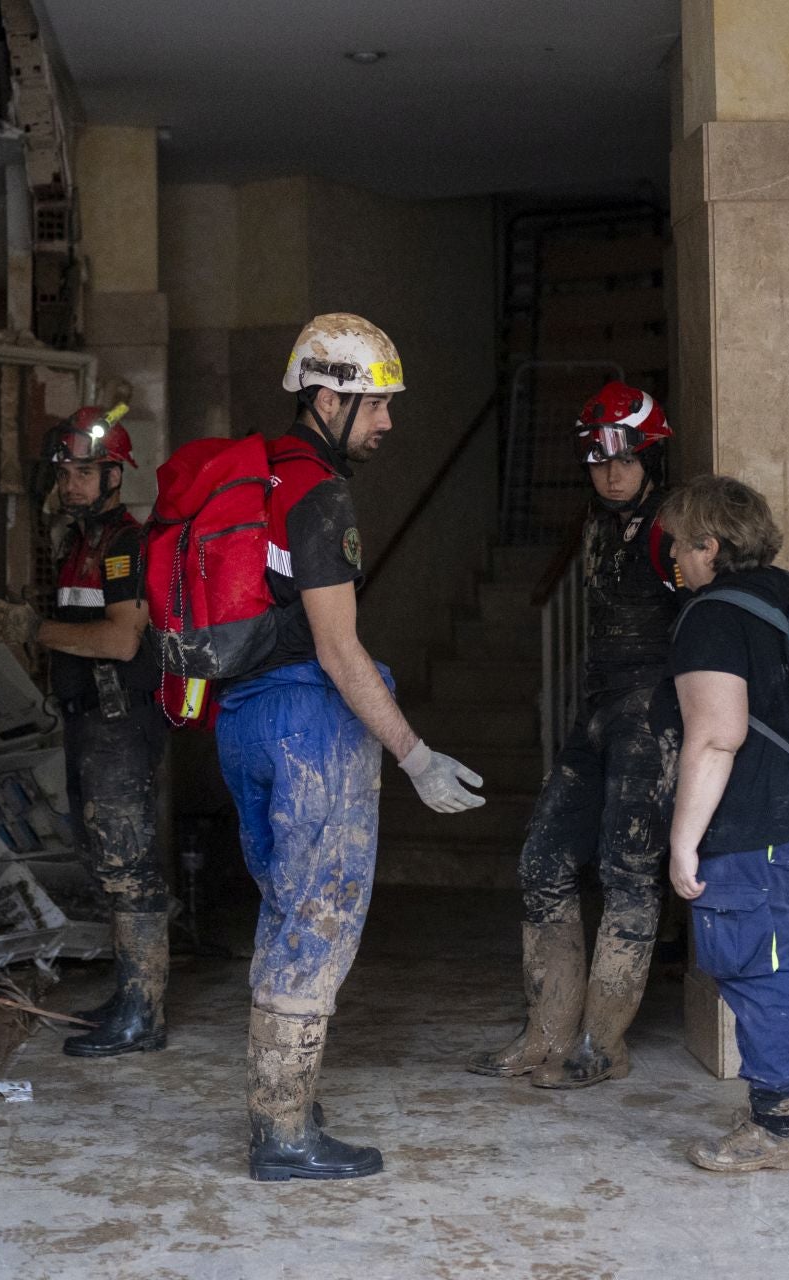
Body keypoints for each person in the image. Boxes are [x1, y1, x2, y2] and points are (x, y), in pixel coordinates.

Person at [217, 313, 486, 1182]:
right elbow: (339, 649)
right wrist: (415, 756)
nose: (386, 423)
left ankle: (279, 1099)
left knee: (284, 903)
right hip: (308, 725)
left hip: (239, 719)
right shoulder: (319, 495)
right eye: (374, 405)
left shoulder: (257, 477)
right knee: (319, 918)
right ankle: (285, 1135)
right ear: (326, 398)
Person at [468, 381, 682, 1088]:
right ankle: (547, 1035)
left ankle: (601, 1044)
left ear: (652, 457)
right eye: (597, 460)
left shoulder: (673, 528)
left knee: (628, 875)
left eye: (623, 459)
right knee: (541, 865)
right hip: (597, 716)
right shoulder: (596, 524)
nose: (611, 472)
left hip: (653, 720)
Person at [663, 475, 789, 1173]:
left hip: (757, 826)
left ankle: (777, 1129)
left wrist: (683, 842)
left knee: (757, 963)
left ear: (708, 546)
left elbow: (717, 736)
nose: (675, 560)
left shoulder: (710, 615)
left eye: (680, 545)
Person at [0, 407, 170, 1058]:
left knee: (129, 863)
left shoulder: (124, 543)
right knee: (105, 860)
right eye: (66, 472)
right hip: (91, 718)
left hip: (120, 719)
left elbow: (122, 639)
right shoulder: (78, 545)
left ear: (115, 475)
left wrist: (32, 631)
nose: (72, 484)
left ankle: (143, 1014)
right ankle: (129, 998)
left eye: (86, 472)